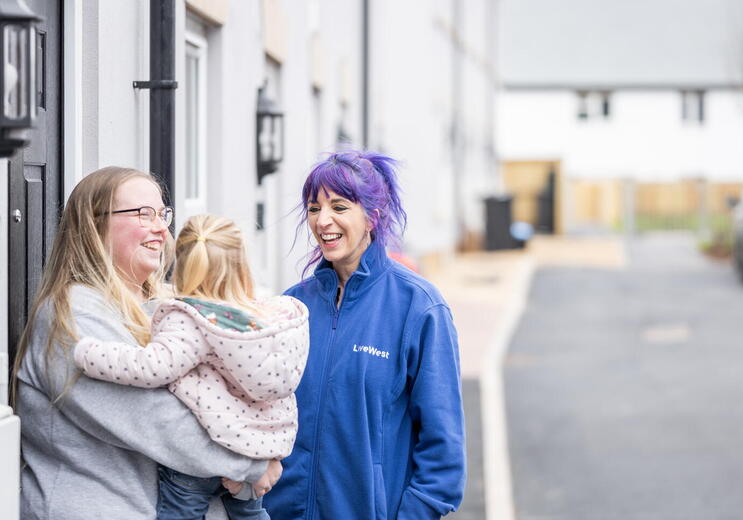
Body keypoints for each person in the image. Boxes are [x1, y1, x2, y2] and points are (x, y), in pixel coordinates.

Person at [12, 167, 280, 520]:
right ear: (94, 226)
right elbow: (154, 419)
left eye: (162, 214)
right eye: (143, 213)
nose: (161, 229)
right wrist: (251, 462)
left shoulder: (168, 307)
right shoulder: (72, 313)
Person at [264, 150, 466, 519]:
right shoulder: (292, 307)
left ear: (373, 215)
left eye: (339, 207)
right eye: (314, 208)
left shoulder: (418, 308)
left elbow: (444, 454)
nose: (322, 220)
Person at [72, 213, 309, 520]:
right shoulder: (266, 321)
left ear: (182, 265)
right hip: (258, 449)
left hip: (203, 454)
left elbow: (150, 367)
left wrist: (89, 353)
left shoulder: (192, 320)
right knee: (251, 514)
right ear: (241, 266)